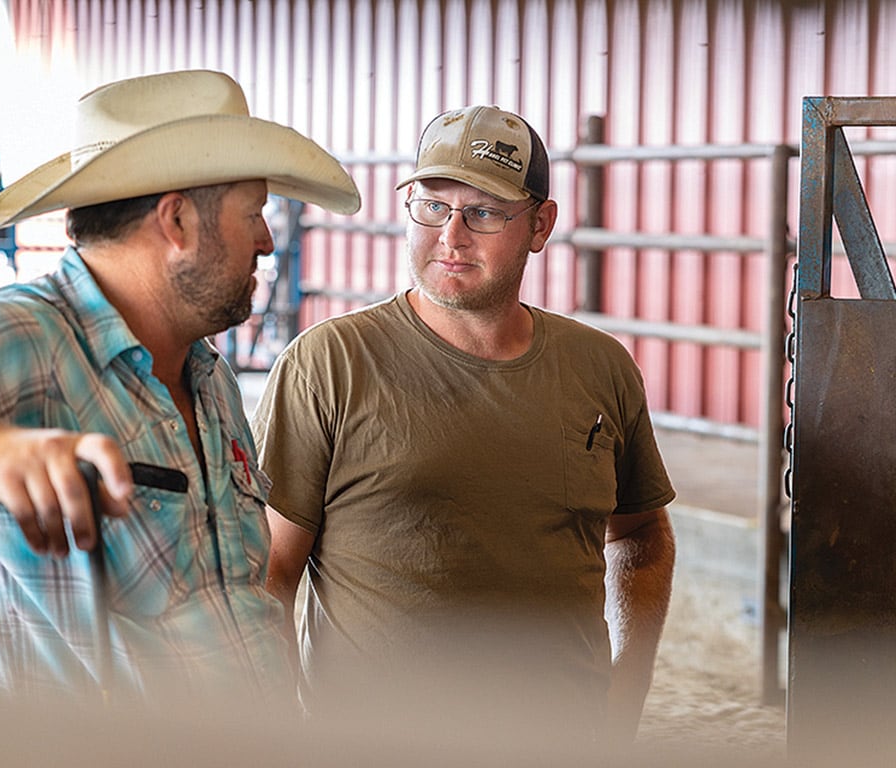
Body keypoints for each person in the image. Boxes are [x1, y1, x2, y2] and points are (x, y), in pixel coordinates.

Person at [251, 105, 676, 748]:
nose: (450, 237)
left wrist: (628, 686)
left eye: (483, 212)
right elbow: (270, 576)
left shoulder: (600, 368)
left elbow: (641, 535)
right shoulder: (330, 365)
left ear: (541, 225)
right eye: (431, 206)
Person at [0, 70, 360, 705]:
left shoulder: (209, 378)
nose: (268, 241)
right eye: (254, 215)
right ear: (179, 221)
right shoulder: (4, 340)